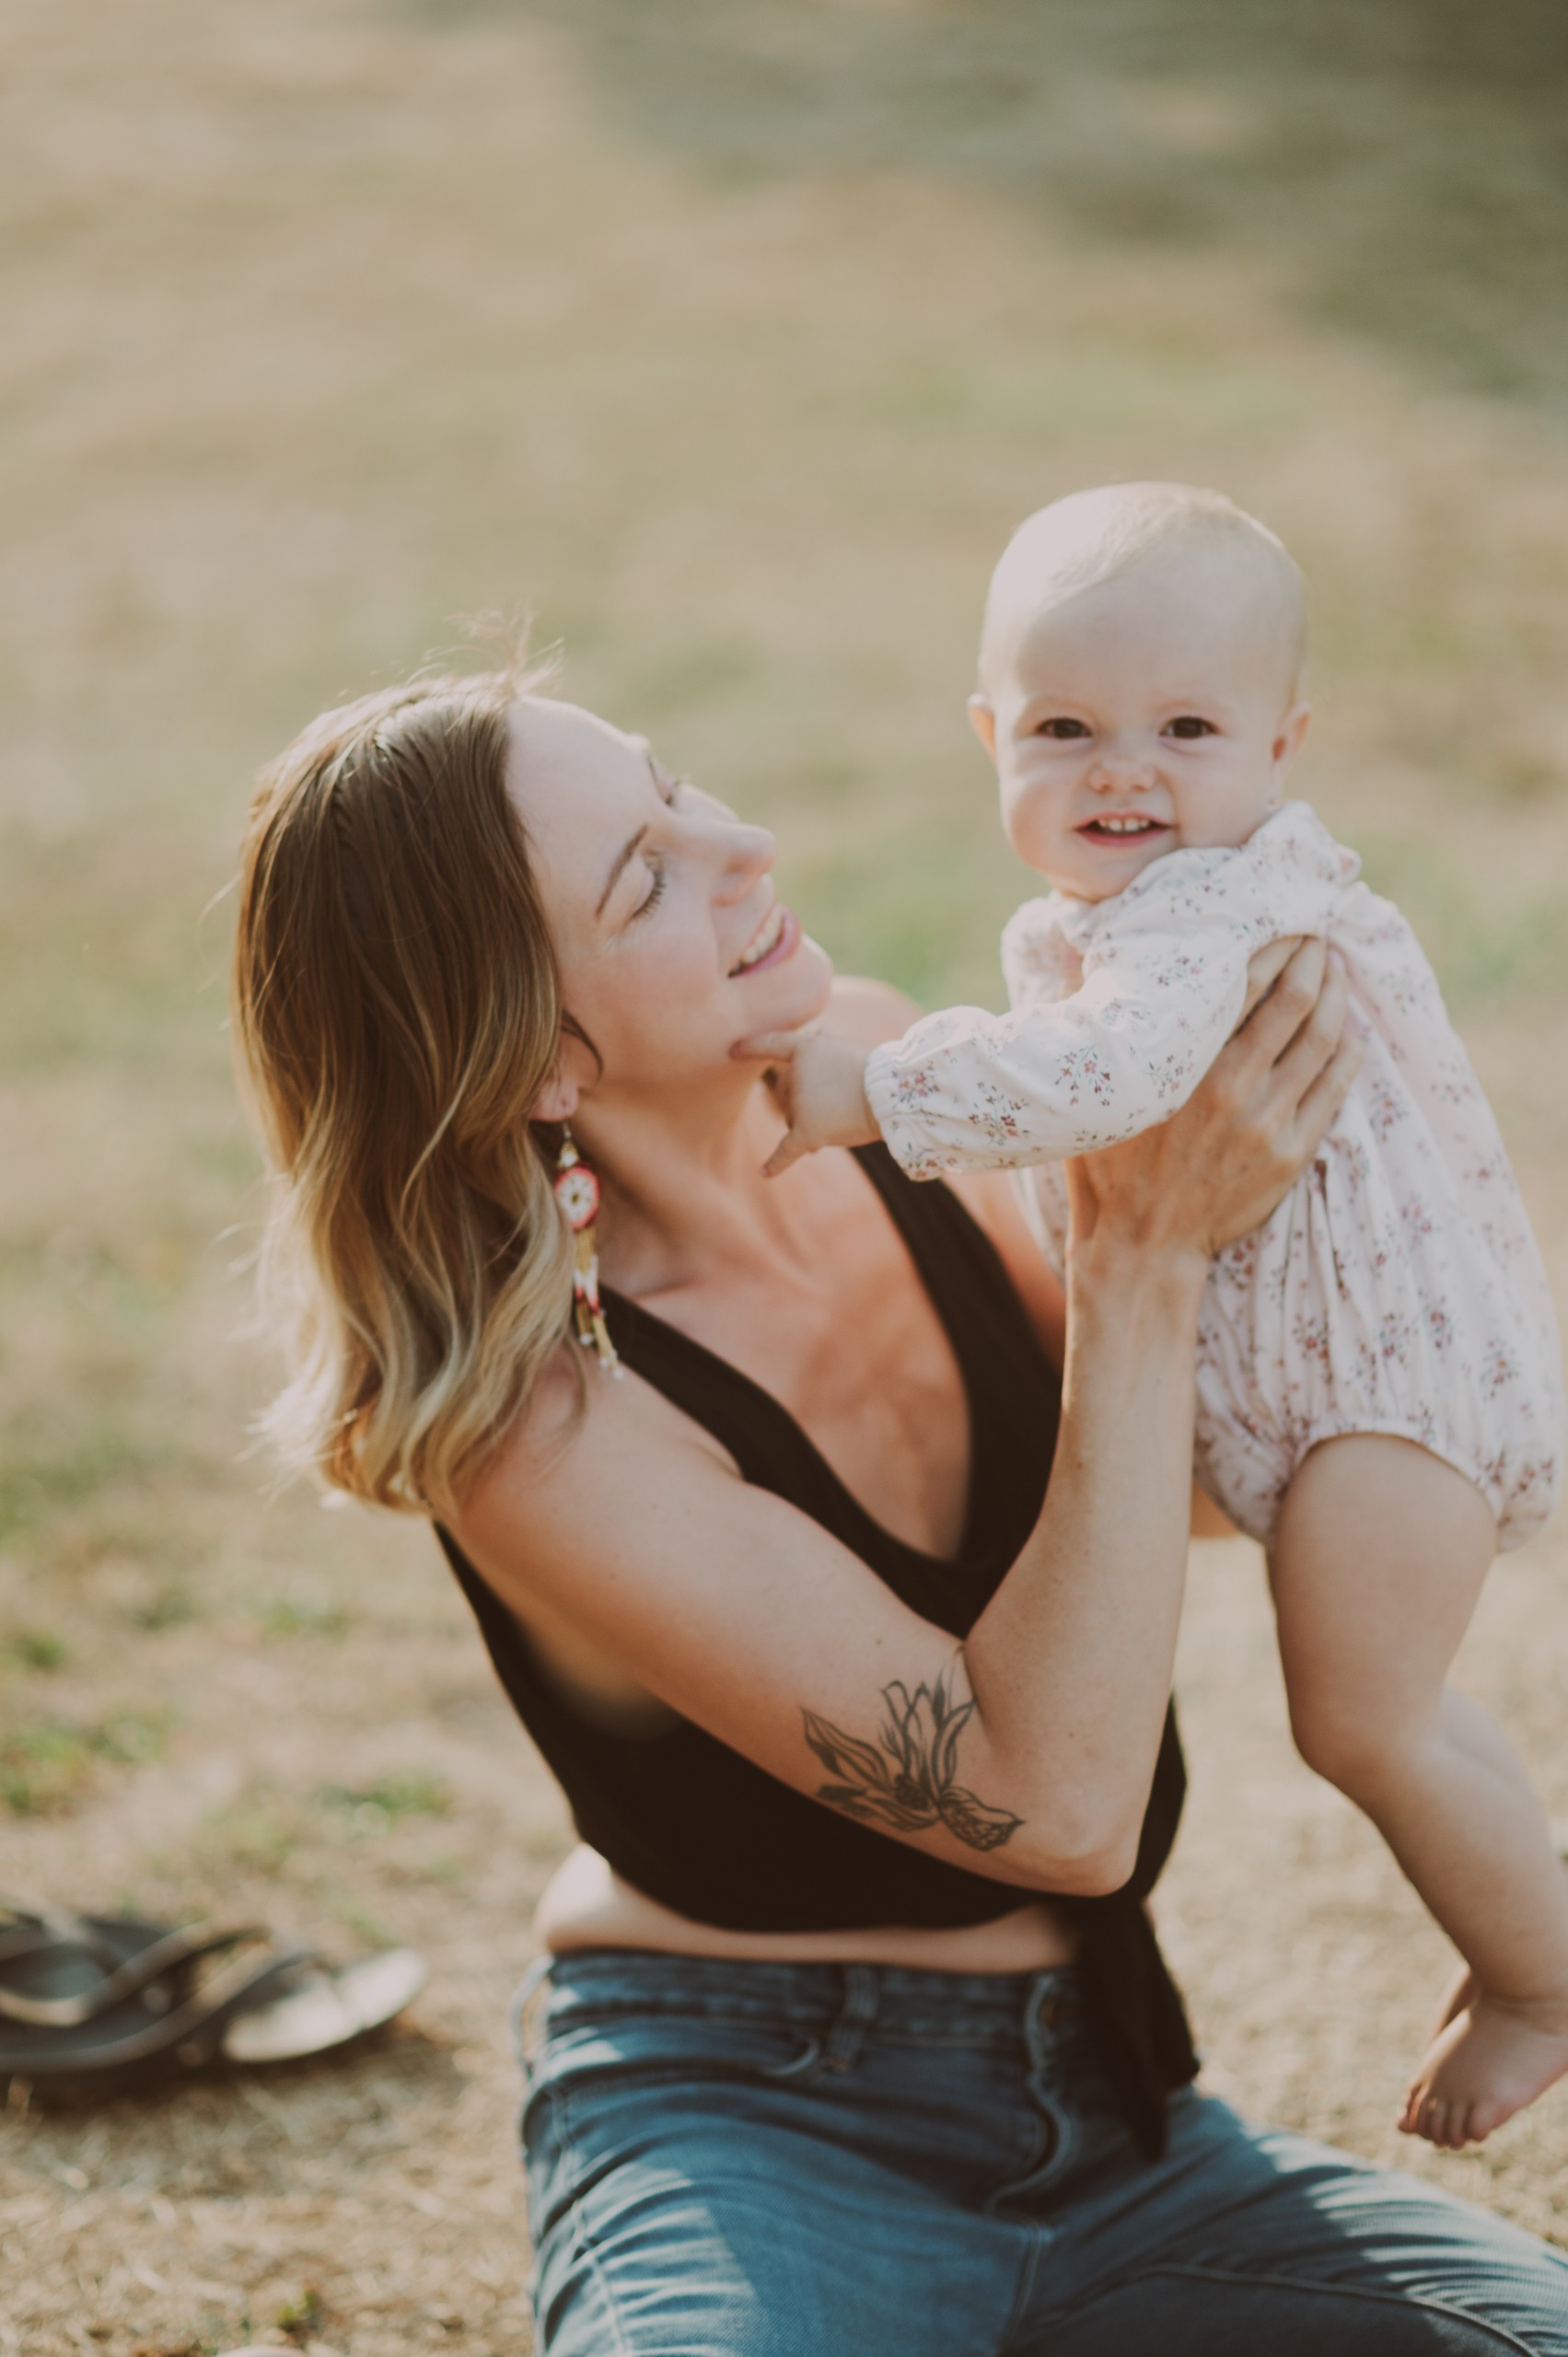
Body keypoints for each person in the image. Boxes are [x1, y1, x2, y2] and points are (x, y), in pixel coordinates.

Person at [230, 663, 1568, 2354]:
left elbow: (1184, 1486)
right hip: (755, 2117)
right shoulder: (544, 1433)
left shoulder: (878, 1070)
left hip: (1120, 2113)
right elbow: (1059, 1804)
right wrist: (1142, 1250)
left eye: (678, 784)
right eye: (647, 874)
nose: (745, 843)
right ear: (537, 1054)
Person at [759, 482, 1568, 2149]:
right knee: (1376, 1706)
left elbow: (1110, 1077)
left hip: (1383, 1392)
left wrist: (870, 1084)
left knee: (1360, 1716)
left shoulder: (1219, 905)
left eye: (1184, 725)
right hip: (1315, 1390)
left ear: (1283, 746)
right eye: (1065, 727)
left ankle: (1544, 1977)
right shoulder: (1101, 923)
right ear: (990, 738)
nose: (1123, 767)